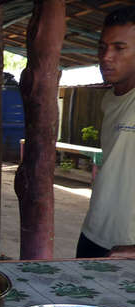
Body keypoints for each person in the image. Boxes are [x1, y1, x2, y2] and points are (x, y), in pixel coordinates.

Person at [77, 6, 135, 259]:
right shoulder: (110, 99)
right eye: (103, 47)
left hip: (128, 245)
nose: (106, 56)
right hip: (95, 231)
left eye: (119, 48)